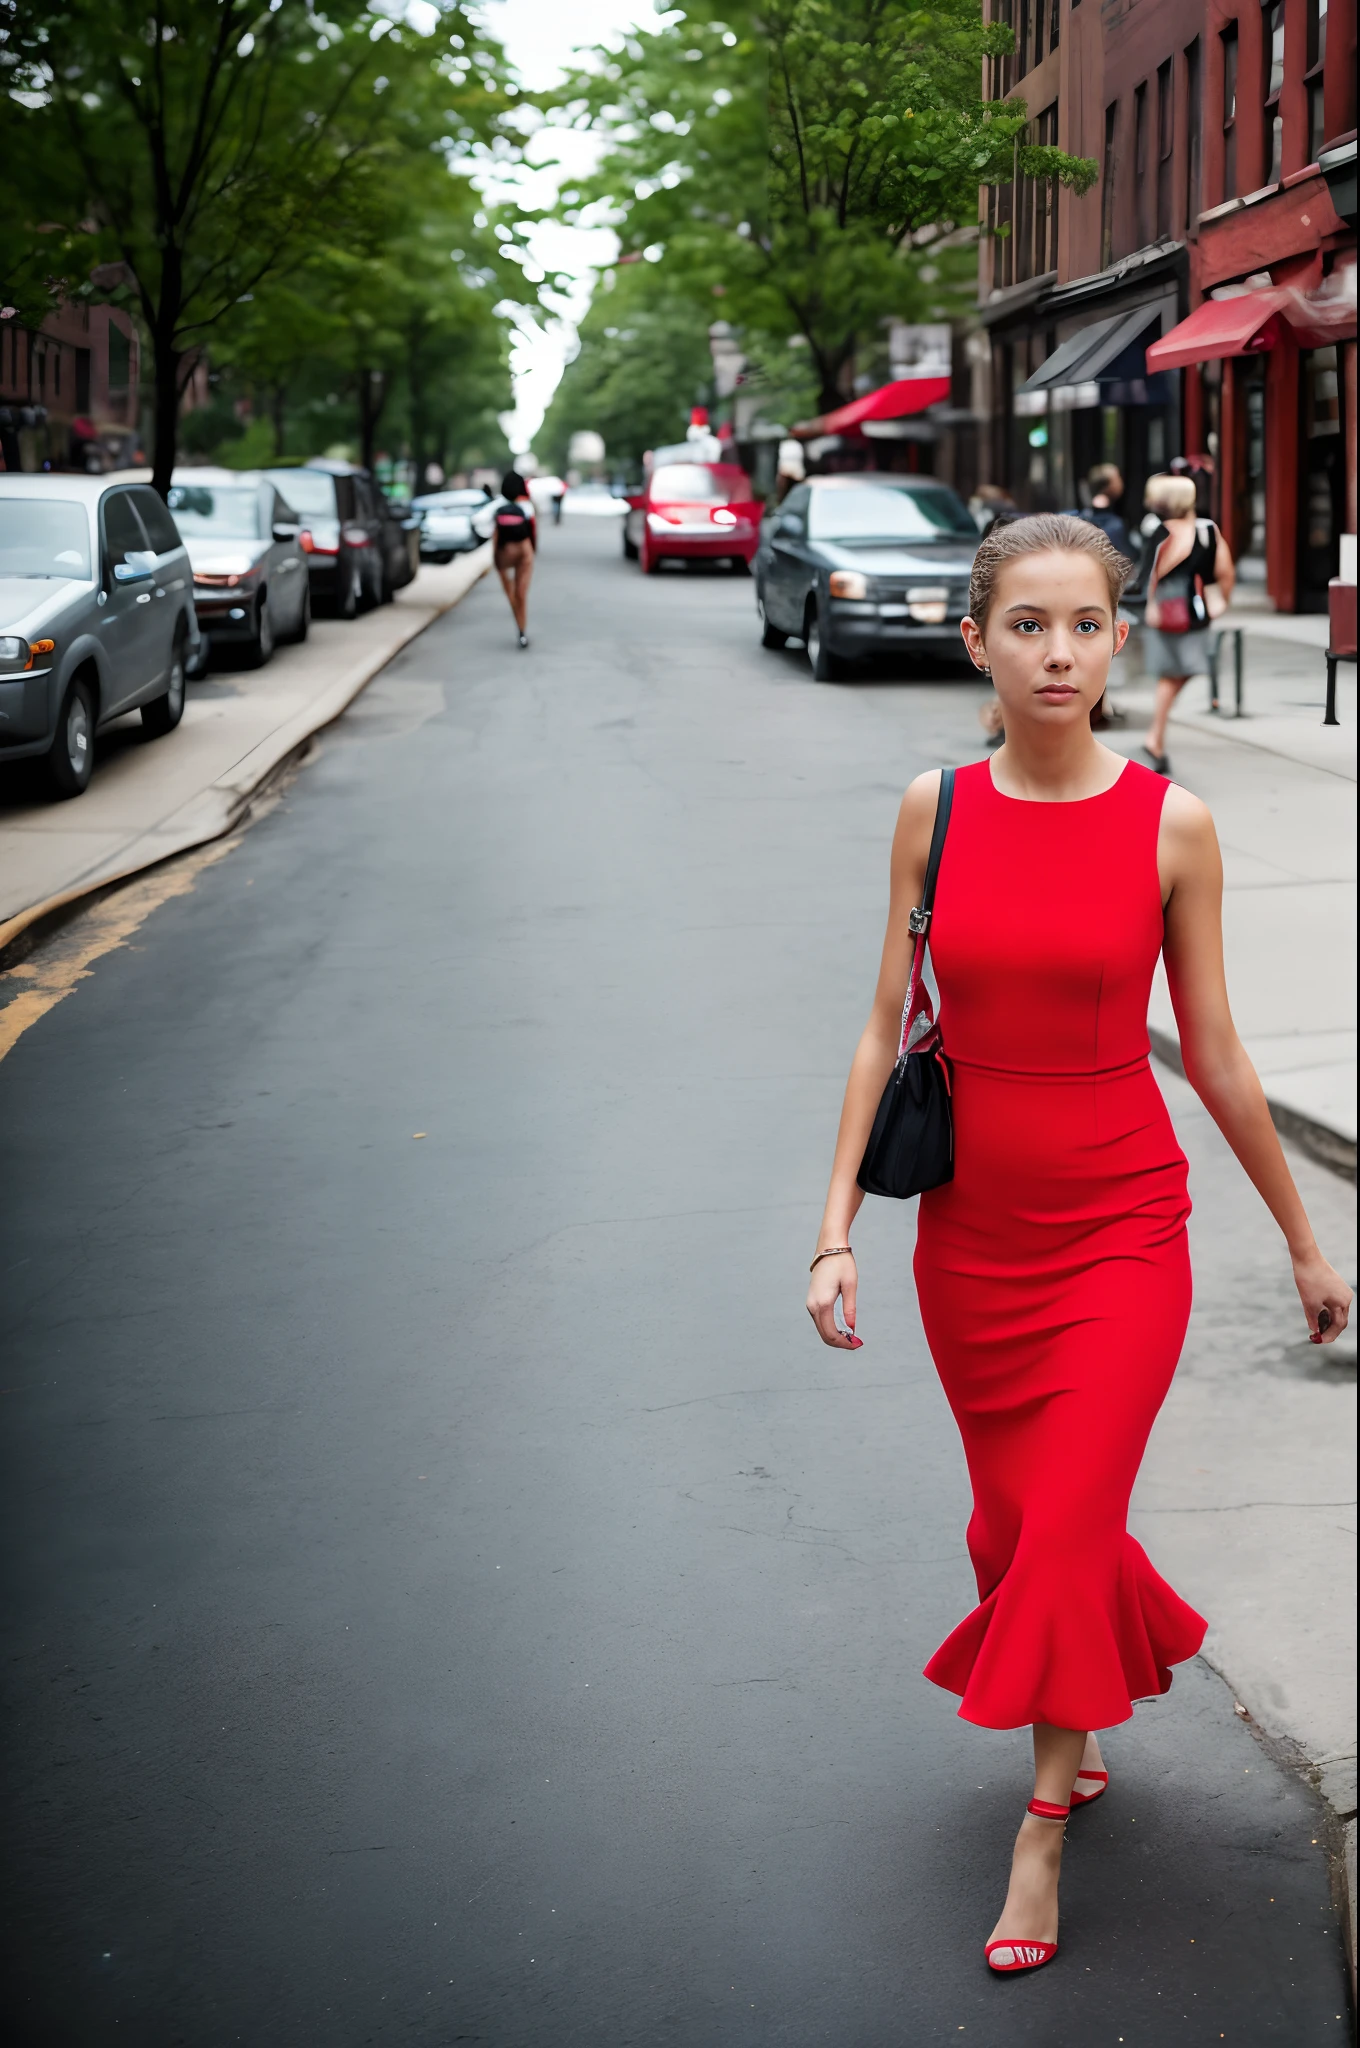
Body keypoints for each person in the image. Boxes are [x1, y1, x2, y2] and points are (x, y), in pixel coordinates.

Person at [805, 512, 1350, 1978]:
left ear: (1124, 637)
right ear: (974, 638)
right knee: (1012, 1528)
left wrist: (1304, 1239)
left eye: (1089, 623)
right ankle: (1107, 1663)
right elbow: (881, 1027)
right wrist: (836, 1227)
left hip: (1122, 1227)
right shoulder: (936, 808)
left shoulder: (1172, 821)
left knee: (1058, 1519)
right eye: (1029, 625)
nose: (1061, 652)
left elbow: (1221, 1056)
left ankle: (1041, 1816)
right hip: (971, 1235)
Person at [1135, 473, 1235, 775]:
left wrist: (1150, 606)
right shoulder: (1208, 530)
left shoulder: (1159, 532)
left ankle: (1155, 736)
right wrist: (1221, 603)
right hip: (1193, 606)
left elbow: (1148, 574)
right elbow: (1225, 571)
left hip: (1166, 608)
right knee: (1179, 672)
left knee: (1177, 672)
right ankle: (1155, 737)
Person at [492, 469, 536, 648]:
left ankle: (515, 612)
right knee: (521, 593)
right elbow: (533, 531)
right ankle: (522, 631)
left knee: (510, 591)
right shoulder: (526, 506)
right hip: (524, 552)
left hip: (503, 553)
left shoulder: (495, 506)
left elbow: (487, 529)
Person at [1078, 463, 1133, 560]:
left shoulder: (1087, 513)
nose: (1121, 483)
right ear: (1107, 485)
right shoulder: (1113, 523)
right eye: (1117, 479)